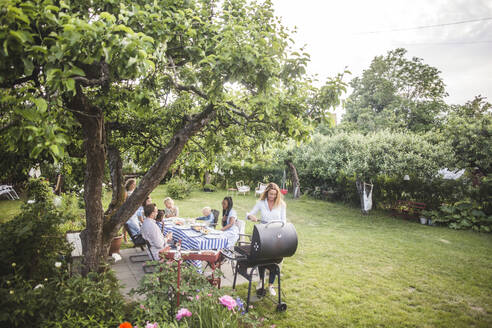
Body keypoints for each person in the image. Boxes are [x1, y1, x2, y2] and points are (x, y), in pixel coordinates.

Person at [246, 182, 286, 296]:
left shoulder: (281, 204)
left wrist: (276, 225)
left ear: (277, 194)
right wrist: (250, 216)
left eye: (274, 194)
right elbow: (250, 214)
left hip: (276, 234)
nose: (272, 196)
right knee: (262, 259)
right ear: (266, 192)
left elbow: (284, 221)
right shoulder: (260, 203)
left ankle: (271, 285)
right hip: (263, 234)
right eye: (270, 194)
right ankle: (261, 281)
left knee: (274, 260)